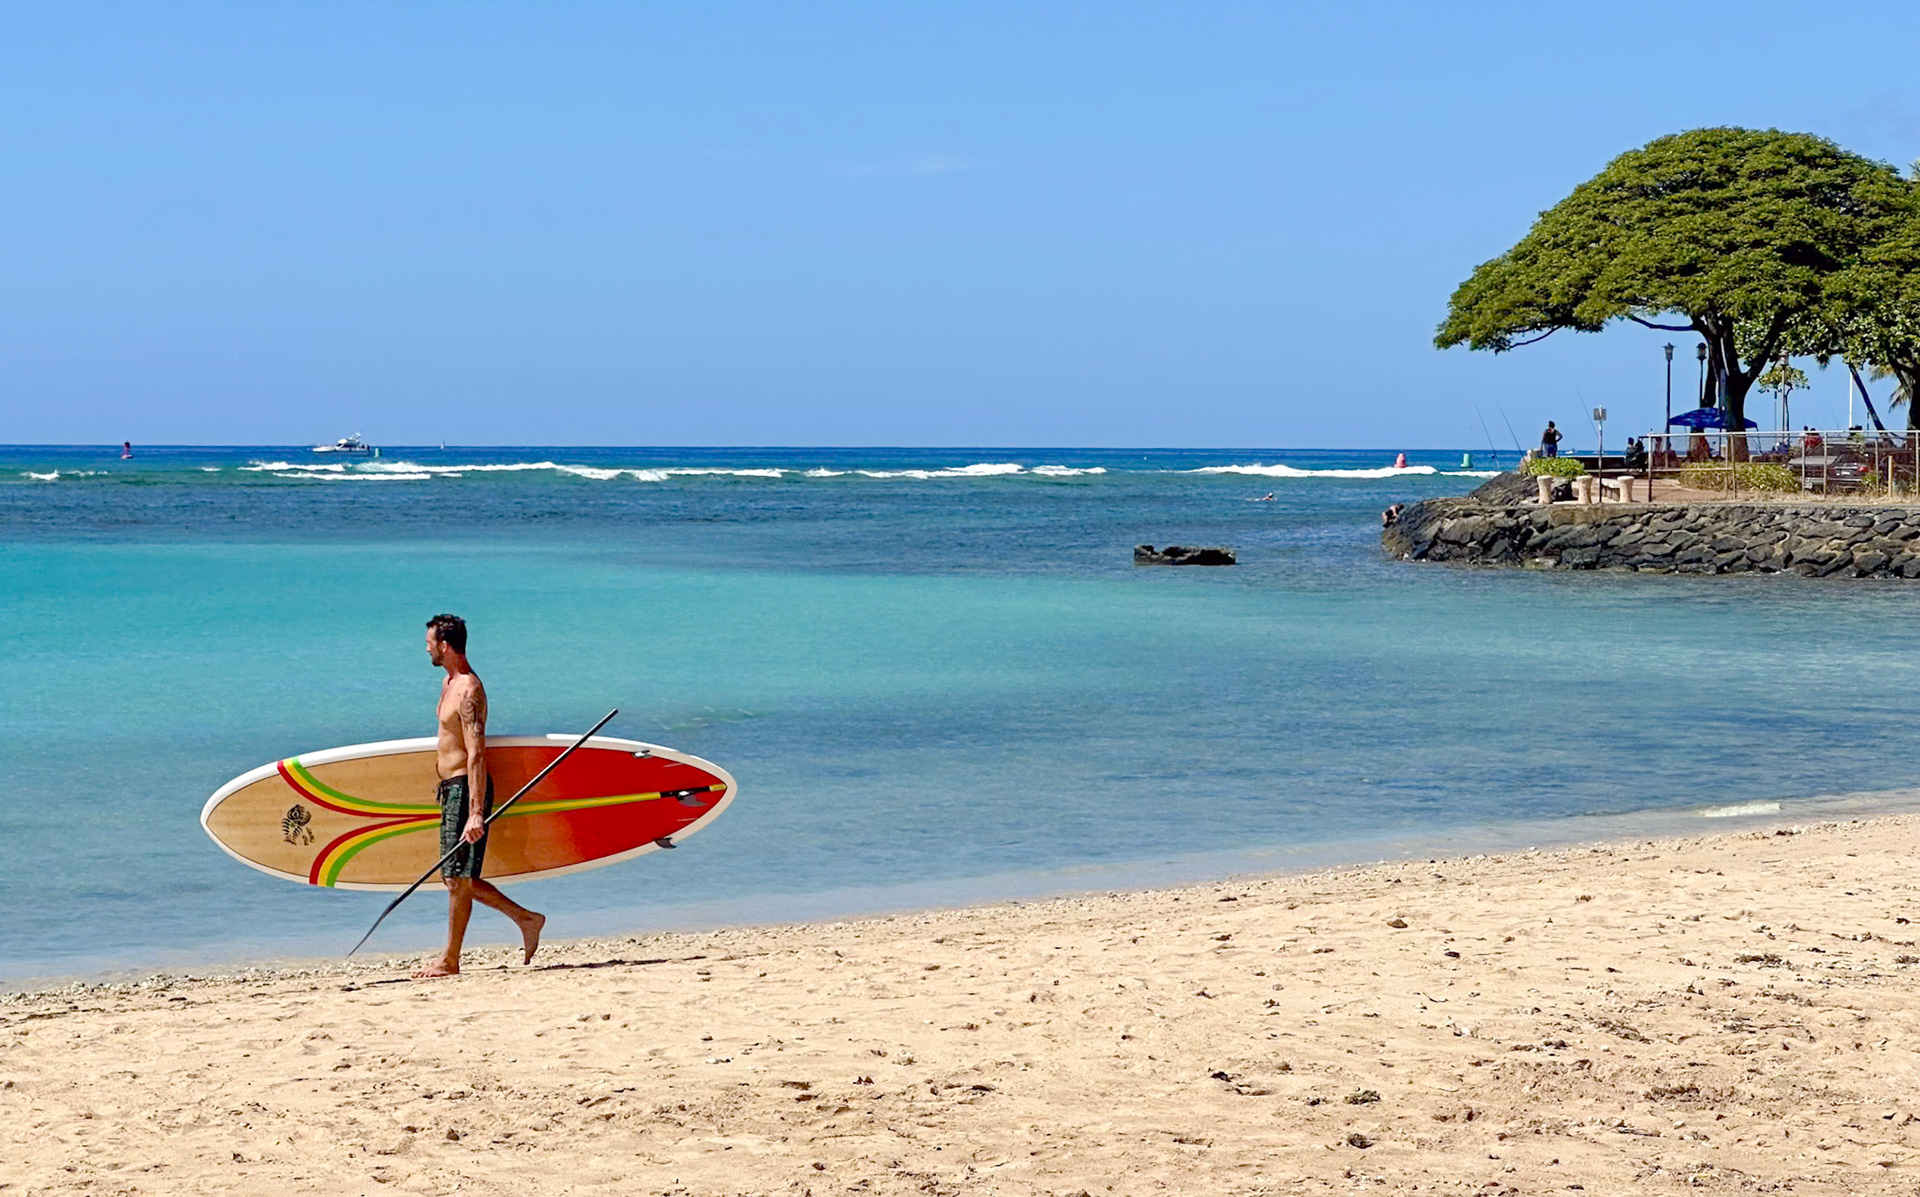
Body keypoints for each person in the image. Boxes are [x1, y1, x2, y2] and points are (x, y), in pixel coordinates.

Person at [413, 613, 544, 979]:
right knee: (456, 878)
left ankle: (451, 959)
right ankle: (526, 919)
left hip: (465, 789)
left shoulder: (468, 689)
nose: (426, 649)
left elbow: (477, 754)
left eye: (429, 643)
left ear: (444, 645)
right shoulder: (448, 683)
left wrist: (475, 811)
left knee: (457, 878)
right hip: (450, 788)